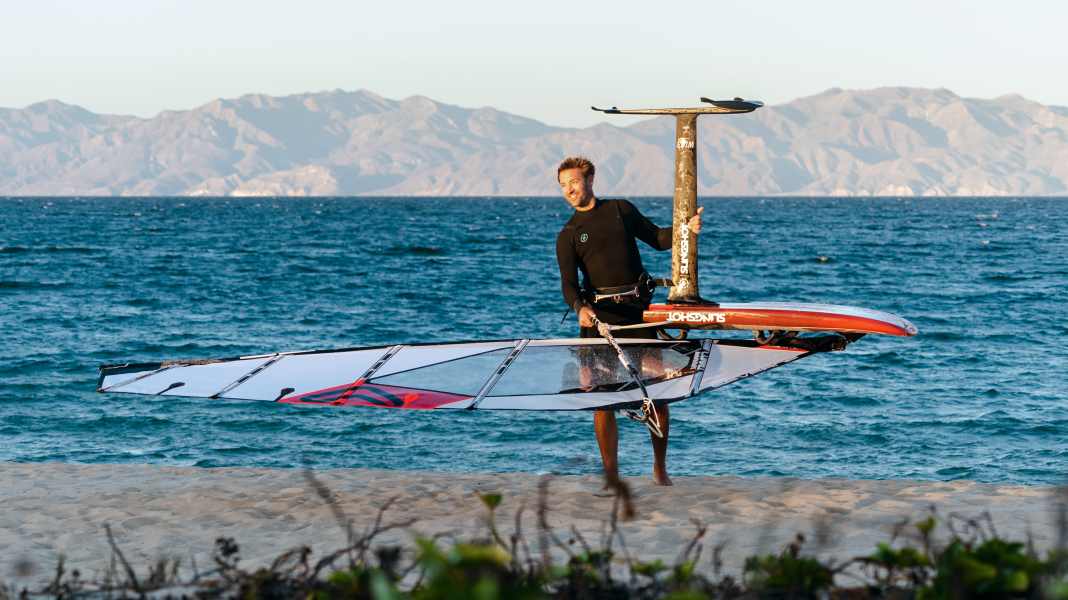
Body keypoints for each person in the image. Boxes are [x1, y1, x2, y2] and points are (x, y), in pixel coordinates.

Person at [554, 156, 703, 487]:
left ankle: (660, 469)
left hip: (637, 315)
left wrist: (685, 230)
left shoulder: (620, 210)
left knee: (657, 392)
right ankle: (611, 475)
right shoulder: (568, 234)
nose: (569, 190)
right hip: (599, 321)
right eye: (563, 185)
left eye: (574, 182)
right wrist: (579, 306)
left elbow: (658, 239)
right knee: (603, 399)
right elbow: (568, 284)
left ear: (590, 179)